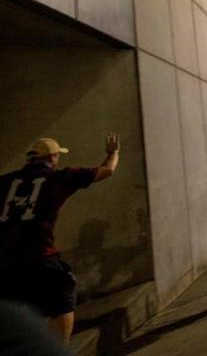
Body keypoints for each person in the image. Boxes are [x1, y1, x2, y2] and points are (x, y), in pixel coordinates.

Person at [0, 134, 120, 343]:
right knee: (62, 299)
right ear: (53, 157)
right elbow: (107, 170)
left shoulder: (4, 182)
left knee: (22, 312)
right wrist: (113, 152)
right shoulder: (59, 177)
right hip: (39, 257)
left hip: (5, 264)